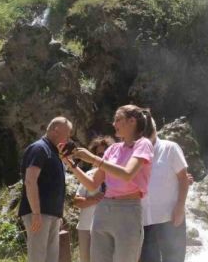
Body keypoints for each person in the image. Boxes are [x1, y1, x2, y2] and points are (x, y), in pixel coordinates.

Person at [65, 105, 154, 262]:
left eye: (118, 119)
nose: (114, 124)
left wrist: (93, 159)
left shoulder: (143, 144)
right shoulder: (112, 149)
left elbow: (127, 174)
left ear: (132, 121)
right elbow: (92, 184)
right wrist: (72, 164)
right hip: (103, 211)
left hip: (128, 210)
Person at [18, 116, 73, 262]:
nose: (68, 138)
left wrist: (57, 214)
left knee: (51, 257)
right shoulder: (39, 148)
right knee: (38, 256)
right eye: (67, 133)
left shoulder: (53, 152)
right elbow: (30, 181)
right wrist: (36, 212)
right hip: (39, 213)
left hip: (51, 214)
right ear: (56, 130)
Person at [140, 119, 191, 262]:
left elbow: (183, 179)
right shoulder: (134, 153)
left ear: (155, 129)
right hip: (144, 219)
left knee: (174, 258)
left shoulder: (170, 148)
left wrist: (180, 207)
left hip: (169, 217)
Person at [74, 136, 115, 262]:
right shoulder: (89, 175)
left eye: (105, 153)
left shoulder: (118, 175)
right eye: (99, 154)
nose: (102, 157)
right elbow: (76, 201)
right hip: (86, 227)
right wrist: (93, 199)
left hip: (110, 228)